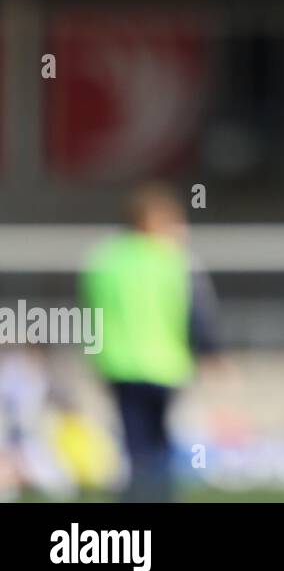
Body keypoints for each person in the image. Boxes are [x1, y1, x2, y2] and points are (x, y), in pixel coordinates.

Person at [80, 182, 220, 501]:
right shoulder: (172, 258)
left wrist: (95, 357)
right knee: (160, 441)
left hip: (118, 364)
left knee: (136, 442)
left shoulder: (104, 259)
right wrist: (211, 352)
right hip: (164, 364)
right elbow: (197, 310)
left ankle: (138, 499)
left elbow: (91, 314)